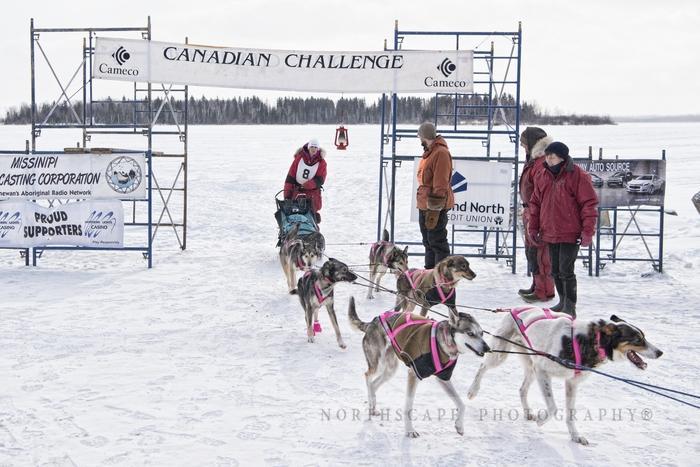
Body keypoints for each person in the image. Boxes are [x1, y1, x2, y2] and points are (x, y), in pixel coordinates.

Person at [528, 142, 598, 317]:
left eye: (552, 156)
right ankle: (562, 302)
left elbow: (588, 204)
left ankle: (570, 306)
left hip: (570, 231)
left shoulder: (578, 175)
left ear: (562, 157)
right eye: (547, 155)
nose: (548, 159)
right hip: (549, 231)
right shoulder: (542, 175)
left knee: (566, 270)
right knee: (555, 270)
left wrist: (587, 231)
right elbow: (535, 204)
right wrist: (533, 227)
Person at [517, 127, 555, 303]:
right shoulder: (534, 161)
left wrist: (535, 214)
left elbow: (542, 193)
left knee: (539, 254)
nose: (522, 146)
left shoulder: (540, 164)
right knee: (532, 252)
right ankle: (538, 286)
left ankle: (543, 290)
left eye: (524, 143)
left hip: (536, 213)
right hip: (531, 211)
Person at [416, 122, 454, 269]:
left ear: (424, 137)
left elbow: (441, 184)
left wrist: (434, 209)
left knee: (437, 243)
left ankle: (441, 276)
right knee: (428, 242)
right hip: (425, 205)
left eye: (420, 137)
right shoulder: (430, 153)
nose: (420, 140)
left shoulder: (441, 153)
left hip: (434, 207)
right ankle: (430, 275)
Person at [283, 138, 327, 223]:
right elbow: (290, 178)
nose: (313, 149)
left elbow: (320, 179)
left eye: (315, 147)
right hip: (297, 193)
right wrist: (287, 196)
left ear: (318, 149)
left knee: (311, 219)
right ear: (308, 147)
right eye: (312, 147)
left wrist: (307, 185)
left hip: (313, 195)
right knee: (295, 217)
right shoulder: (299, 159)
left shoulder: (322, 162)